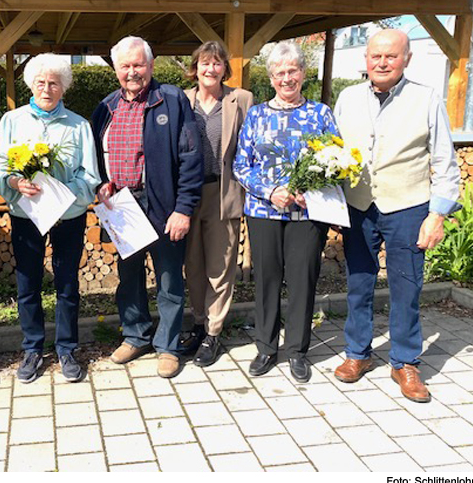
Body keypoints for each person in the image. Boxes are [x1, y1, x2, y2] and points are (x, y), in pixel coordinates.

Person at [333, 29, 460, 402]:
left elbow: (444, 161)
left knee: (407, 286)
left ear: (407, 58)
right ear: (366, 60)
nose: (382, 62)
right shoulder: (348, 97)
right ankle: (358, 353)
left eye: (391, 56)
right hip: (360, 206)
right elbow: (334, 148)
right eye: (376, 56)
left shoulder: (426, 98)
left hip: (407, 205)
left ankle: (405, 361)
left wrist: (437, 214)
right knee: (358, 283)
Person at [92, 36, 203, 379]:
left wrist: (183, 208)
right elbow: (95, 158)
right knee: (129, 278)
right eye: (125, 66)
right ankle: (135, 334)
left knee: (169, 279)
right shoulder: (105, 107)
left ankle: (167, 346)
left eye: (138, 64)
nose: (132, 72)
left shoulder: (171, 100)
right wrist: (100, 184)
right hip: (122, 207)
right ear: (115, 70)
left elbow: (191, 157)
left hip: (163, 205)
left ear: (151, 66)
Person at [233, 41, 337, 383]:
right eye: (280, 73)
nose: (287, 78)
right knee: (266, 280)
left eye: (293, 71)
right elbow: (240, 165)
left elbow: (337, 162)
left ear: (303, 74)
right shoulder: (258, 114)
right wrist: (269, 191)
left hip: (307, 214)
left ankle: (297, 350)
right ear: (272, 77)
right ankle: (266, 347)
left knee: (303, 281)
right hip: (264, 212)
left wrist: (313, 191)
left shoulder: (321, 114)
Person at [0, 53, 100, 384]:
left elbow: (90, 175)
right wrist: (13, 182)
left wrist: (65, 192)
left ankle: (67, 347)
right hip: (27, 214)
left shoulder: (79, 125)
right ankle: (32, 349)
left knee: (67, 283)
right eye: (40, 82)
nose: (47, 88)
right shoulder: (12, 121)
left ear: (63, 87)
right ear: (31, 84)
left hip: (68, 215)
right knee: (28, 284)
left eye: (54, 82)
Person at [180, 41, 253, 367]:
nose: (210, 69)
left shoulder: (242, 100)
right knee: (193, 266)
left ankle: (214, 332)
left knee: (219, 268)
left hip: (224, 193)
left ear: (225, 68)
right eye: (205, 63)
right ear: (195, 67)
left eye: (217, 63)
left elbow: (252, 145)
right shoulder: (181, 100)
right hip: (187, 195)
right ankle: (198, 322)